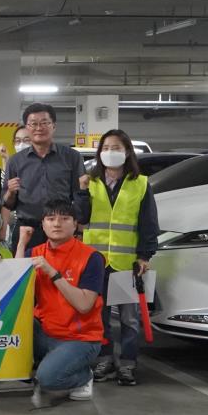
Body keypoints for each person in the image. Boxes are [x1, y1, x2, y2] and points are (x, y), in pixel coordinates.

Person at [78, 129, 159, 386]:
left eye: (116, 148)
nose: (110, 152)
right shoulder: (90, 182)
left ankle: (127, 364)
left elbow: (148, 223)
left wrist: (145, 255)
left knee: (129, 318)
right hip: (95, 262)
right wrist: (81, 192)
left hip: (127, 262)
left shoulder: (140, 184)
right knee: (98, 316)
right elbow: (81, 218)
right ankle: (105, 360)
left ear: (127, 152)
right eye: (106, 148)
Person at [16, 199, 104, 409]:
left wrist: (53, 273)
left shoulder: (91, 257)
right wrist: (21, 244)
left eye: (64, 219)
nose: (57, 224)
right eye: (50, 219)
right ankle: (54, 361)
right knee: (12, 326)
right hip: (46, 332)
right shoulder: (35, 252)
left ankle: (84, 376)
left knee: (48, 379)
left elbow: (84, 305)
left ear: (75, 225)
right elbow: (16, 288)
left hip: (80, 338)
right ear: (43, 224)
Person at [3, 103, 86, 250]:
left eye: (44, 123)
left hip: (60, 229)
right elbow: (8, 204)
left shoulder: (72, 157)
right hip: (27, 230)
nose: (39, 128)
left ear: (54, 126)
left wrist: (79, 230)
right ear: (27, 127)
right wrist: (10, 192)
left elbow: (79, 196)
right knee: (26, 265)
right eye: (33, 124)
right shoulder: (15, 161)